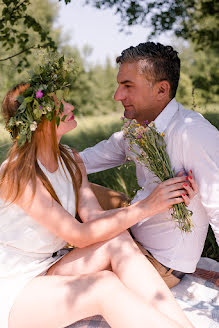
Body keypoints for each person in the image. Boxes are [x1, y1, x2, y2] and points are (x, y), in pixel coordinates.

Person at [0, 58, 195, 328]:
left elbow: (93, 219)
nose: (70, 106)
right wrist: (147, 206)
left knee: (118, 241)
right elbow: (79, 236)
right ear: (40, 121)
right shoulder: (18, 173)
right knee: (103, 287)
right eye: (59, 105)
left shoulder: (70, 159)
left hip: (51, 267)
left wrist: (159, 202)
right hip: (16, 286)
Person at [80, 42, 219, 288]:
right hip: (135, 226)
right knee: (66, 184)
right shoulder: (140, 127)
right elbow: (87, 160)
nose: (117, 96)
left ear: (162, 90)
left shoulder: (193, 133)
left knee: (70, 271)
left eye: (127, 86)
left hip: (157, 263)